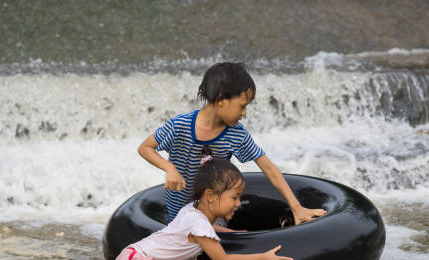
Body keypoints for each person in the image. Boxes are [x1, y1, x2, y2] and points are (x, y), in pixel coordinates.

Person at [138, 61, 326, 229]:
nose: (244, 113)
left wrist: (297, 207)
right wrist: (169, 168)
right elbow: (145, 148)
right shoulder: (181, 125)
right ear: (221, 100)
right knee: (197, 233)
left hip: (214, 211)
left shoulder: (236, 133)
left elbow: (268, 168)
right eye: (242, 106)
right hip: (179, 213)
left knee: (217, 232)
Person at [107, 157, 293, 260]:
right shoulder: (200, 225)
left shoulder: (191, 210)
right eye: (234, 198)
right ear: (210, 195)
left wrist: (232, 231)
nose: (238, 204)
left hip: (130, 259)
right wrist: (262, 258)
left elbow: (207, 229)